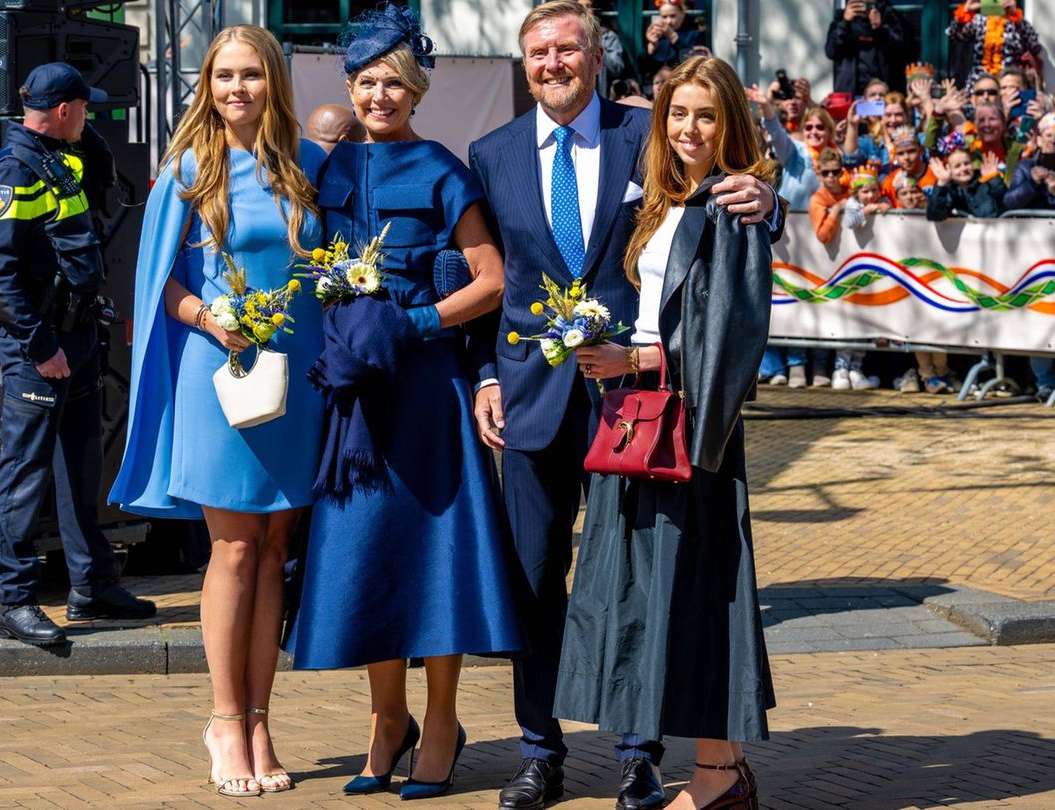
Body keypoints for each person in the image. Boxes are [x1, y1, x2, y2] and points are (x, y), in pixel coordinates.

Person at [467, 6, 780, 807]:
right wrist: (486, 378)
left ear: (598, 55)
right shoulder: (491, 155)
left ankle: (638, 752)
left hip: (637, 403)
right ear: (523, 61)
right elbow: (476, 275)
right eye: (539, 52)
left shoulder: (643, 132)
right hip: (531, 398)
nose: (553, 63)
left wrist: (765, 196)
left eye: (568, 48)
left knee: (635, 580)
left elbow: (713, 183)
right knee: (535, 578)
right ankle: (540, 749)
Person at [281, 5, 526, 802]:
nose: (380, 96)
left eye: (394, 83)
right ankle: (388, 721)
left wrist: (413, 321)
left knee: (433, 559)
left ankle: (444, 721)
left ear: (415, 90)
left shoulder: (444, 169)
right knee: (369, 557)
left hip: (428, 394)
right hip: (357, 397)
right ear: (349, 88)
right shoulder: (328, 170)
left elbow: (491, 281)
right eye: (367, 83)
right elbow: (302, 262)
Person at [107, 26, 325, 798]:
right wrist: (207, 315)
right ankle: (225, 720)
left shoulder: (309, 167)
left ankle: (263, 716)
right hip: (220, 372)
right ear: (208, 84)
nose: (237, 89)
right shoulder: (188, 172)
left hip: (296, 379)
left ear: (273, 83)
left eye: (251, 76)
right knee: (233, 550)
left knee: (274, 552)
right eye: (224, 76)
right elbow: (157, 284)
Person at [556, 53, 775, 810]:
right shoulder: (668, 200)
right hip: (640, 421)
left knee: (706, 589)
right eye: (678, 114)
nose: (689, 128)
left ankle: (719, 774)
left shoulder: (732, 207)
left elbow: (728, 340)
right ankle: (718, 771)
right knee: (658, 595)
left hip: (690, 432)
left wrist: (634, 356)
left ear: (730, 126)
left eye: (706, 116)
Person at [0, 62, 155, 647]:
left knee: (80, 465)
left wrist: (77, 127)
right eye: (85, 107)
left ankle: (91, 588)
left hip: (77, 339)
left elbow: (104, 177)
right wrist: (41, 344)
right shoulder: (10, 173)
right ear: (62, 110)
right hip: (40, 347)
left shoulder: (63, 157)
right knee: (24, 473)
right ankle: (16, 601)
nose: (91, 116)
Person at [750, 85, 836, 210]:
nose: (814, 132)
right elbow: (777, 132)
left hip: (824, 224)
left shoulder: (836, 155)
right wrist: (766, 105)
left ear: (829, 130)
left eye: (820, 127)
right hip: (790, 223)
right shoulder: (795, 150)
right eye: (809, 127)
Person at [948, 0, 1043, 91]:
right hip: (980, 83)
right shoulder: (979, 20)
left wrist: (1016, 17)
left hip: (1009, 84)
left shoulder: (1015, 23)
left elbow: (1034, 46)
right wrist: (965, 11)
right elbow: (954, 34)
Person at [825, 0, 905, 96]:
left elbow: (900, 52)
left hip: (882, 93)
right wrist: (844, 23)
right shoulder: (841, 17)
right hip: (849, 93)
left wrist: (880, 30)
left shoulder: (888, 16)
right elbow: (831, 51)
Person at [1003, 113, 1055, 211]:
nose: (1053, 141)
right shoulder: (1025, 167)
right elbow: (1009, 202)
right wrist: (1032, 183)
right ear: (1039, 140)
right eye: (1048, 135)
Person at [576, 0, 635, 100]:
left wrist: (596, 44)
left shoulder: (608, 36)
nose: (584, 10)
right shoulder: (568, 38)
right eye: (580, 7)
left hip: (603, 96)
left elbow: (617, 68)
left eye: (588, 6)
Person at [927, 147, 1006, 219]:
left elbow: (1005, 203)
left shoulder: (985, 182)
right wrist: (942, 184)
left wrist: (993, 179)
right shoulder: (948, 190)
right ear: (948, 169)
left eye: (967, 163)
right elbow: (935, 216)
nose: (964, 168)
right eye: (957, 166)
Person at [642, 2, 704, 74]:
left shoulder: (693, 35)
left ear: (682, 14)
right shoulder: (658, 36)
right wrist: (651, 46)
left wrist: (673, 37)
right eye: (664, 17)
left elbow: (694, 62)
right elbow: (641, 68)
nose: (668, 21)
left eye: (673, 16)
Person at [879, 127, 935, 204]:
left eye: (911, 151)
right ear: (895, 156)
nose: (906, 157)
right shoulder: (889, 182)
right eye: (900, 153)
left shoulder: (936, 174)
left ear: (921, 150)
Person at [809, 148, 848, 244]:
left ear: (841, 173)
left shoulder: (851, 192)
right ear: (819, 174)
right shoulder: (817, 199)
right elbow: (823, 237)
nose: (830, 175)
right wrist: (836, 209)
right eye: (825, 173)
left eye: (835, 171)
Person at [844, 163, 889, 227]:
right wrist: (867, 209)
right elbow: (849, 222)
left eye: (874, 190)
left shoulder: (882, 199)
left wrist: (887, 206)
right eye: (865, 192)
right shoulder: (853, 202)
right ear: (856, 192)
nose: (871, 195)